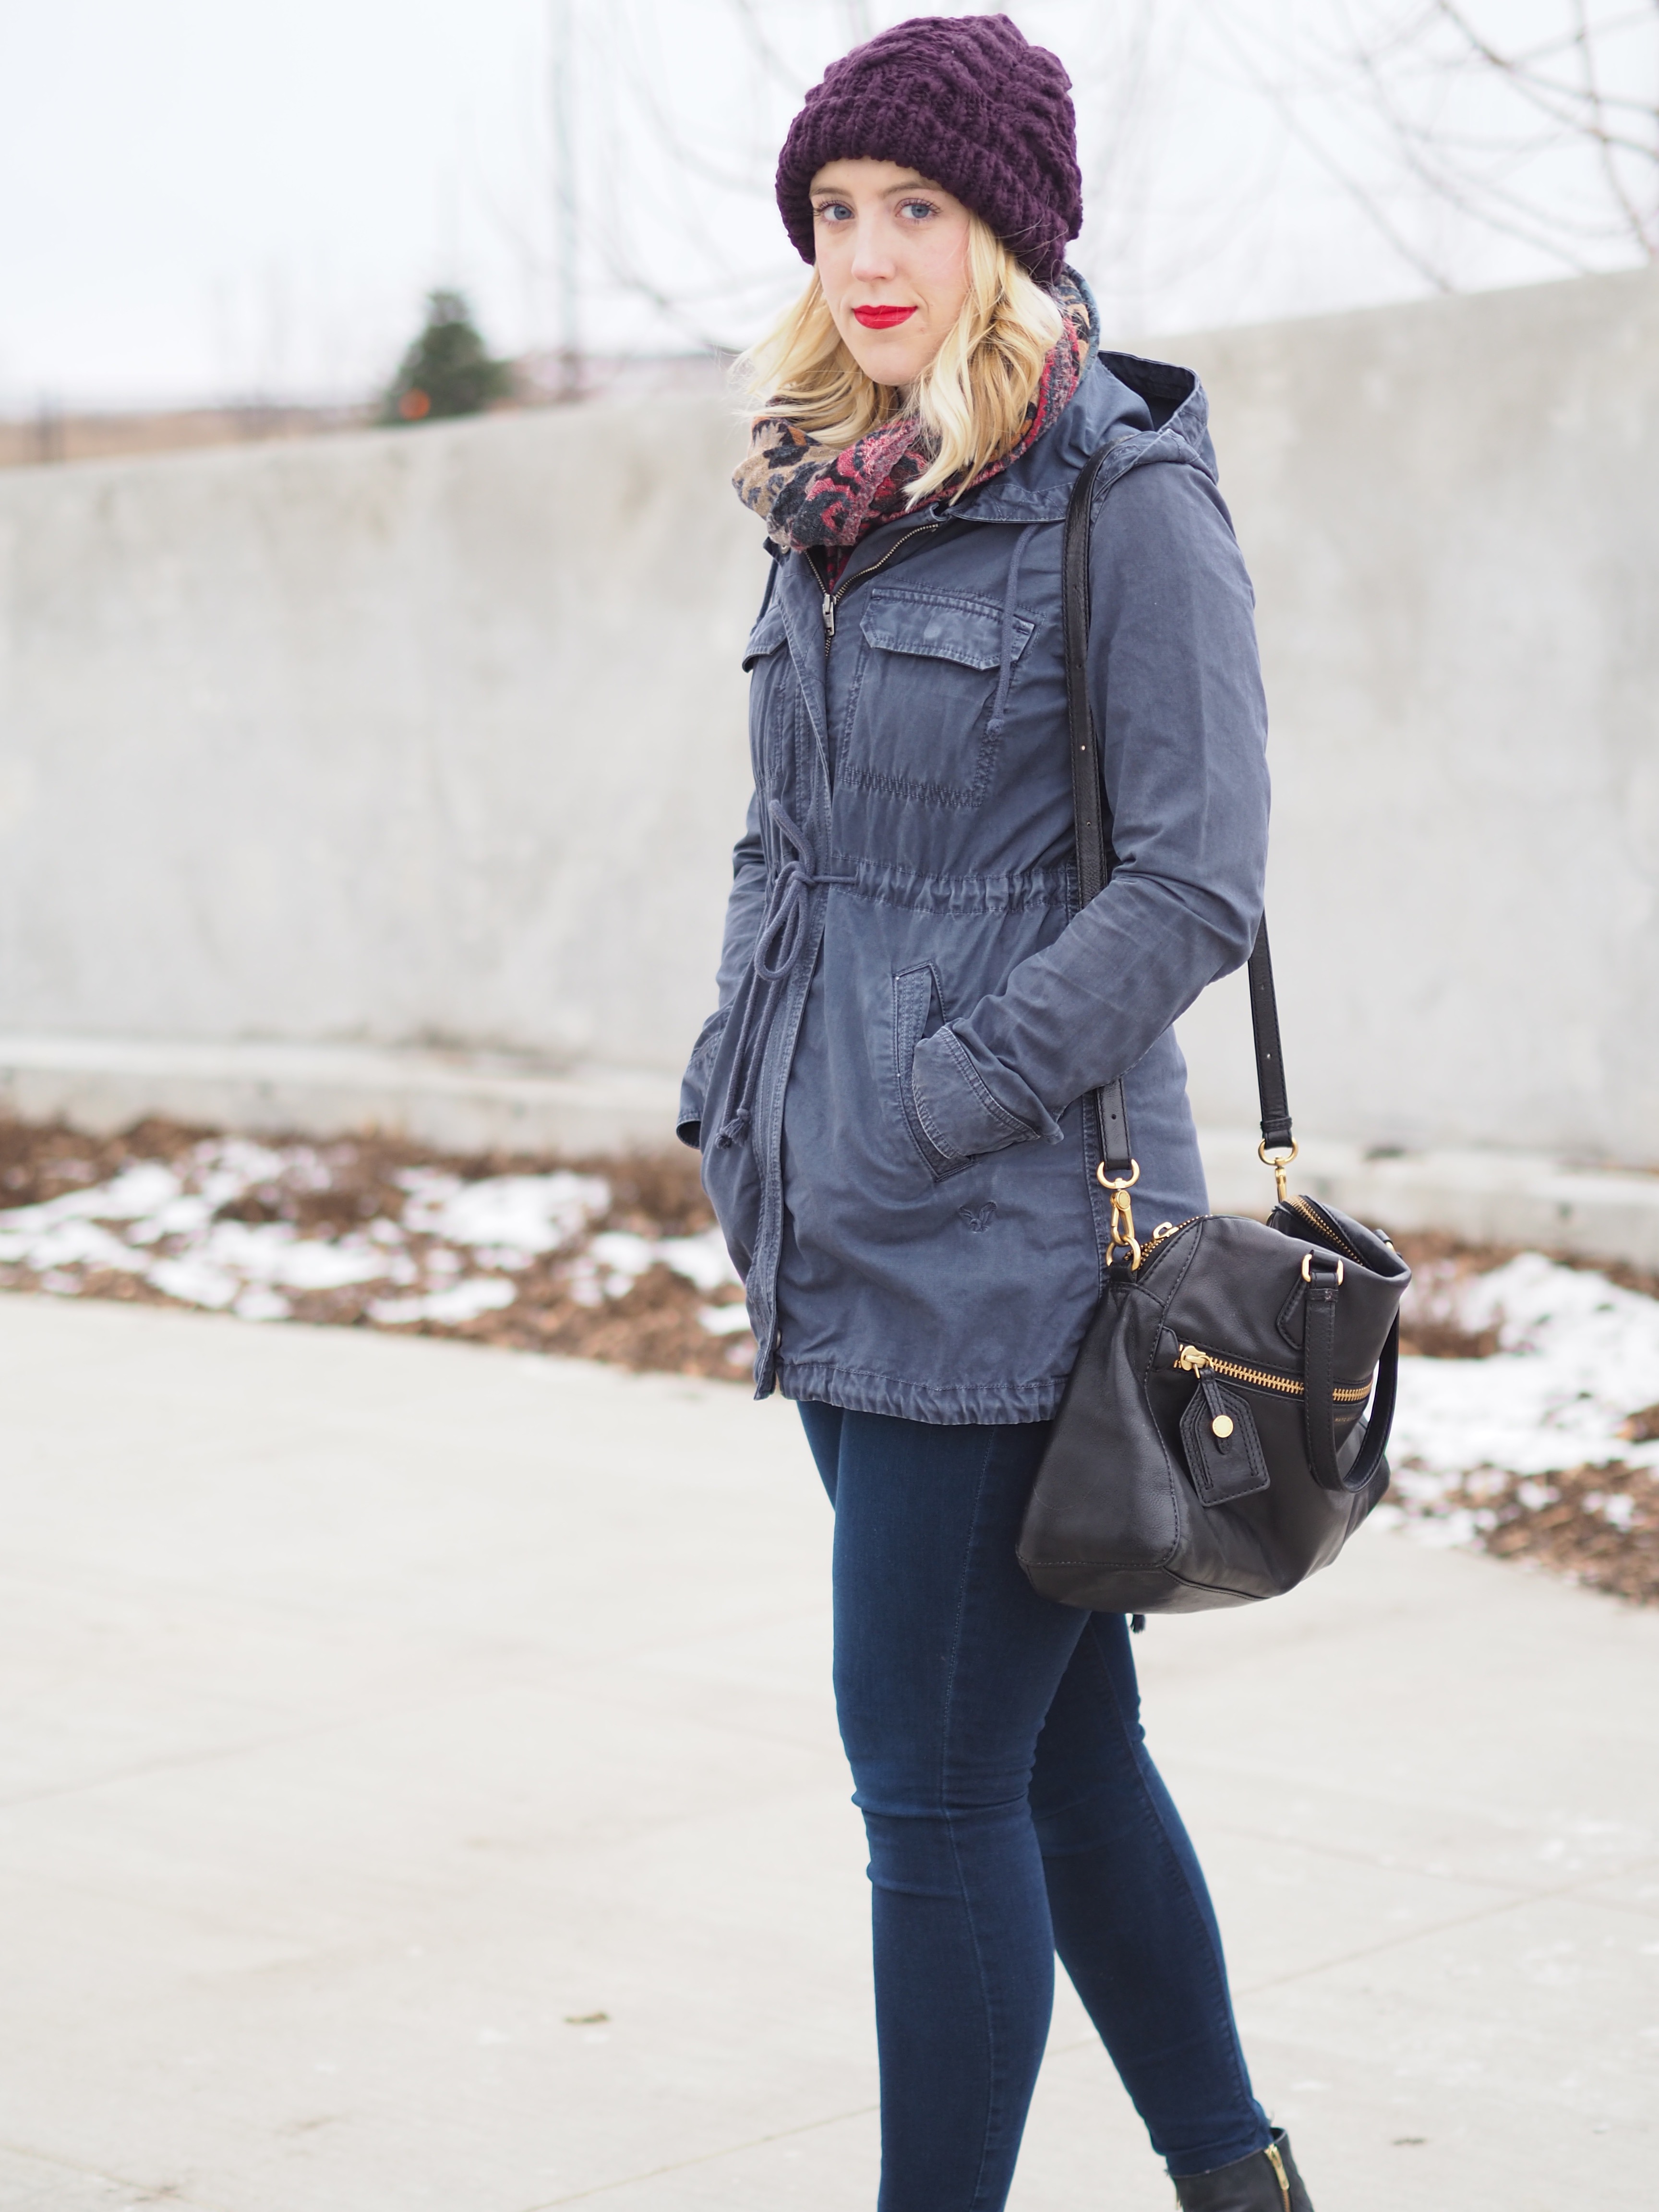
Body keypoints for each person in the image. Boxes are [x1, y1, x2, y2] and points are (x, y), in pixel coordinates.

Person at [677, 17, 1310, 2211]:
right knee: (1060, 1752)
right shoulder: (830, 498)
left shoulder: (1121, 501)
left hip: (1014, 1239)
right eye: (835, 212)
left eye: (914, 210)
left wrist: (950, 1097)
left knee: (931, 1794)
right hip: (831, 1214)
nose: (866, 254)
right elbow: (791, 838)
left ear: (1009, 233)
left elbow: (1195, 880)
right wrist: (735, 1078)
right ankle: (1237, 2176)